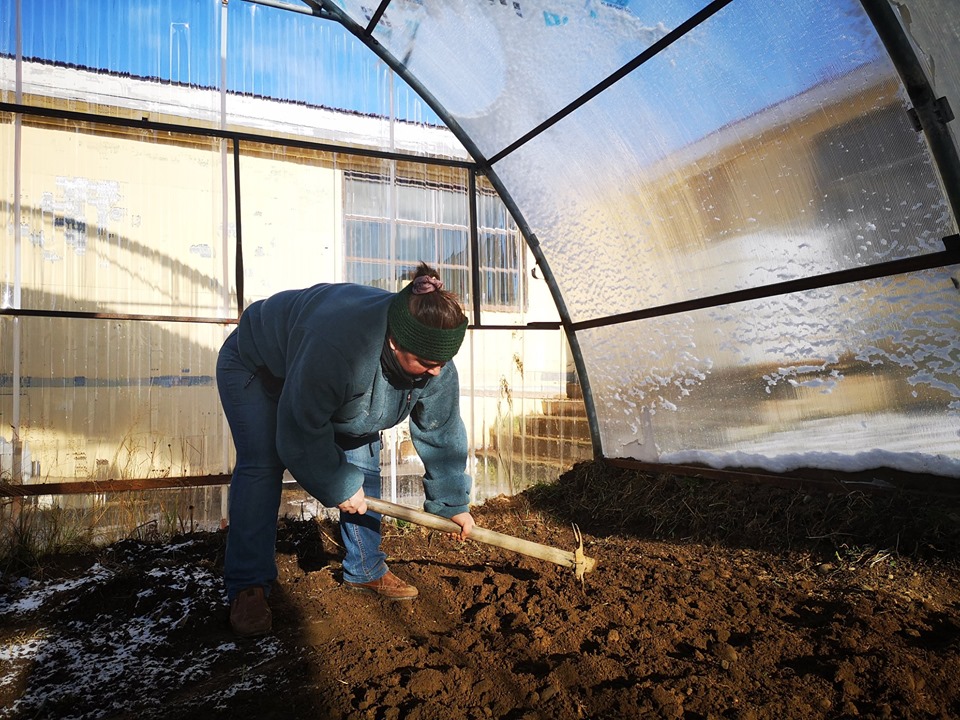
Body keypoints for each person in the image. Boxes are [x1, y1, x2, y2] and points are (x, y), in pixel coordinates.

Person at [216, 262, 476, 637]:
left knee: (363, 447)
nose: (435, 372)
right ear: (394, 342)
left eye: (441, 363)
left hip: (326, 374)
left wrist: (452, 504)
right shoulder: (339, 347)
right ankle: (248, 586)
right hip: (258, 365)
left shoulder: (433, 361)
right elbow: (300, 431)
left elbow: (442, 429)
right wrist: (337, 482)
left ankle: (366, 569)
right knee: (263, 462)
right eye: (426, 364)